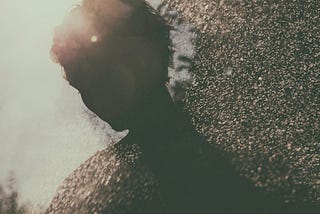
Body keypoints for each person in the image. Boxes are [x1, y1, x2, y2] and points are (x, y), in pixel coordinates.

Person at [47, 0, 292, 213]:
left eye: (97, 73)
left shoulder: (248, 161)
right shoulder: (86, 187)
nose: (92, 98)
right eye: (81, 86)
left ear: (141, 55)